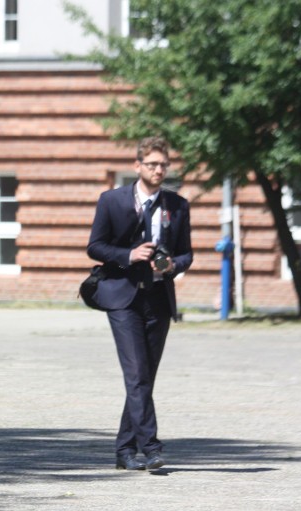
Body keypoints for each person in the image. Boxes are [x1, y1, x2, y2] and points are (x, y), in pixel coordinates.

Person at [86, 136, 193, 471]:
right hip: (123, 297)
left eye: (163, 164)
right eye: (152, 164)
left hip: (159, 299)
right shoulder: (112, 201)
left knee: (144, 377)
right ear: (138, 166)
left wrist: (174, 264)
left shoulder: (178, 205)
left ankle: (124, 450)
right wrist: (129, 255)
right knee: (136, 374)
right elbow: (96, 247)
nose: (159, 170)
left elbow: (188, 252)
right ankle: (152, 447)